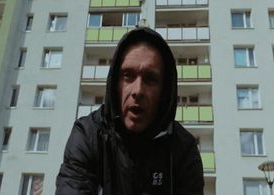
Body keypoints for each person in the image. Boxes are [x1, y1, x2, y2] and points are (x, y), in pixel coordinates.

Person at [55, 27, 204, 195]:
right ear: (115, 83)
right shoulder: (88, 136)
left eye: (150, 79)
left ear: (164, 91)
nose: (138, 91)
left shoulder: (183, 149)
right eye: (128, 75)